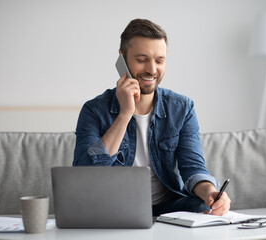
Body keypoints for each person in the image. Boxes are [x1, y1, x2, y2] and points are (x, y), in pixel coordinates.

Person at [73, 18, 231, 216]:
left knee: (203, 206)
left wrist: (211, 193)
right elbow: (84, 175)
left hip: (167, 208)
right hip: (113, 209)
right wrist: (124, 114)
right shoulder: (93, 110)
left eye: (159, 60)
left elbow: (192, 167)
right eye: (141, 60)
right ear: (122, 59)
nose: (152, 69)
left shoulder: (182, 108)